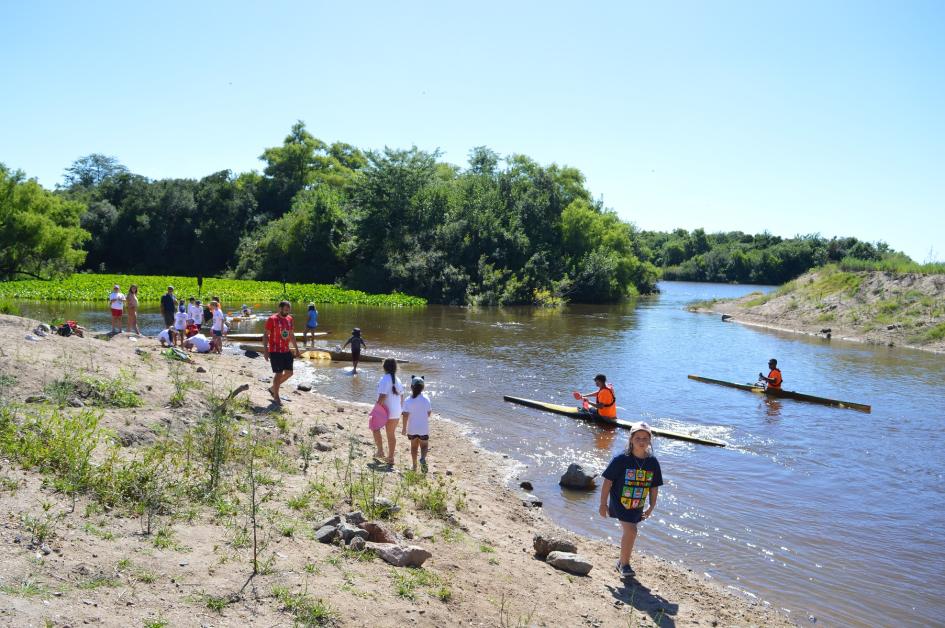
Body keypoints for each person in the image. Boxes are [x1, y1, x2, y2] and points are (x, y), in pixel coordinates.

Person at [599, 422, 663, 578]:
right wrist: (603, 504)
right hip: (619, 501)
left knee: (630, 532)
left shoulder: (652, 462)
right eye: (638, 438)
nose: (642, 441)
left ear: (650, 441)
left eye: (645, 438)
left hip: (637, 504)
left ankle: (621, 562)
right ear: (631, 439)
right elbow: (608, 481)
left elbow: (654, 487)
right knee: (632, 531)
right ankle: (625, 565)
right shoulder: (621, 459)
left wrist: (651, 507)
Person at [263, 300, 300, 405]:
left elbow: (291, 335)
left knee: (289, 373)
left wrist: (297, 349)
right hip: (275, 351)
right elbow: (266, 335)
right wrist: (266, 350)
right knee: (278, 374)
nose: (287, 311)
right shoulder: (272, 319)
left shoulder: (290, 319)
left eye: (289, 309)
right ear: (280, 308)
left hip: (286, 350)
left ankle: (272, 389)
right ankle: (276, 396)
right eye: (285, 309)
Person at [374, 357, 404, 467]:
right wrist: (400, 409)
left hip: (385, 409)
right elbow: (402, 396)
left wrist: (376, 408)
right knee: (391, 434)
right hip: (396, 410)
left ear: (384, 367)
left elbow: (382, 396)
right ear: (396, 368)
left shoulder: (384, 379)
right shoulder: (398, 379)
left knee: (375, 428)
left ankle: (380, 451)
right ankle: (391, 458)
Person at [401, 376, 433, 473]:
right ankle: (422, 458)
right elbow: (429, 413)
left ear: (411, 387)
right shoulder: (426, 399)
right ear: (423, 387)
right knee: (424, 446)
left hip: (412, 429)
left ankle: (414, 466)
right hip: (423, 428)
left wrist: (404, 428)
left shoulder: (407, 400)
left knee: (413, 447)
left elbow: (405, 415)